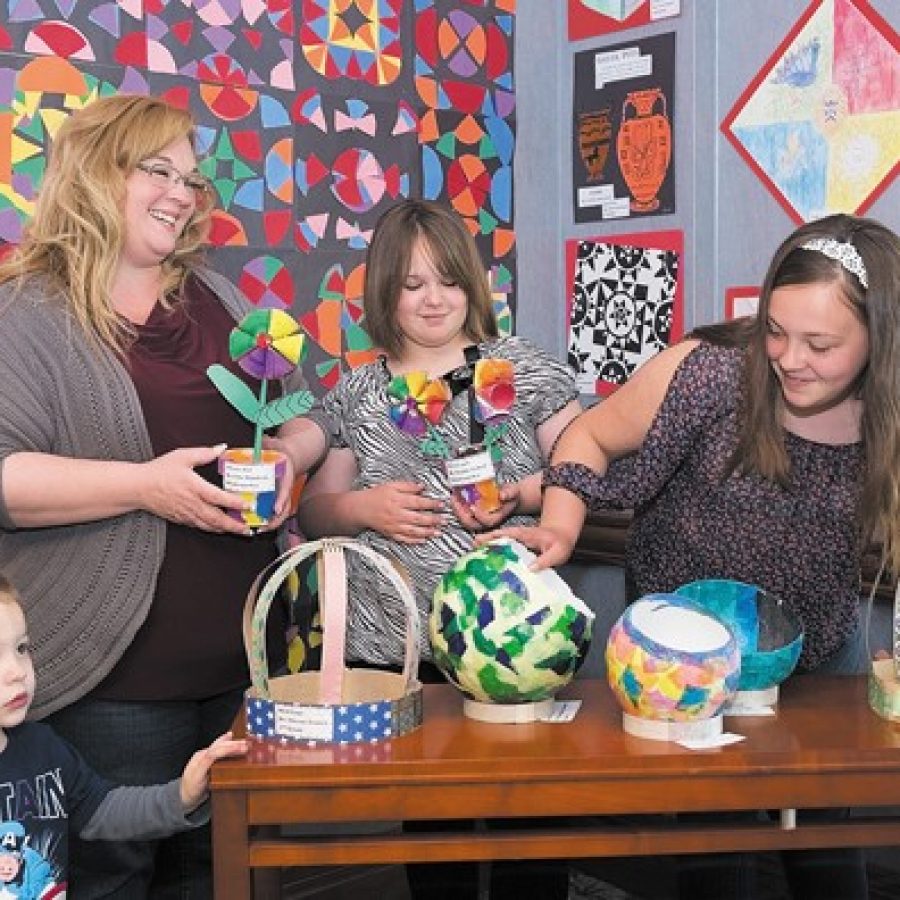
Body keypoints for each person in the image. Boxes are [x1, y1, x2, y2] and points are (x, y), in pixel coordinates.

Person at [487, 212, 900, 900]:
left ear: (880, 342)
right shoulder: (711, 374)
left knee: (825, 826)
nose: (790, 358)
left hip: (808, 651)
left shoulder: (889, 412)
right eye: (775, 331)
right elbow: (589, 436)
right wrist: (559, 528)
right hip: (684, 656)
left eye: (820, 343)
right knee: (719, 831)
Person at [0, 94, 327, 898]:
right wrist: (148, 488)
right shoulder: (25, 311)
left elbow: (308, 414)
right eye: (158, 170)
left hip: (246, 667)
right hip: (113, 682)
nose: (182, 194)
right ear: (94, 171)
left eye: (192, 178)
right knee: (116, 877)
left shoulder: (218, 297)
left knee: (232, 875)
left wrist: (290, 454)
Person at [297, 197, 583, 900]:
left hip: (519, 639)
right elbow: (313, 513)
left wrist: (518, 494)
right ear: (383, 291)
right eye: (412, 283)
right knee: (433, 835)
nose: (434, 299)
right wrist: (361, 507)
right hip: (400, 650)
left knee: (530, 825)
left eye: (449, 280)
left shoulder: (520, 369)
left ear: (473, 285)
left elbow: (584, 464)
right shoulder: (359, 393)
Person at [0, 572, 247, 899]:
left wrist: (182, 796)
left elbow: (104, 810)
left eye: (21, 648)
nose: (17, 671)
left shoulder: (44, 749)